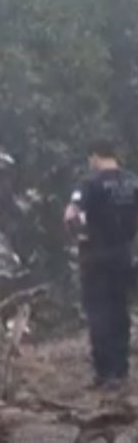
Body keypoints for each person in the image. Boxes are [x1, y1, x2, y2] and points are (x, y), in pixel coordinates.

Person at [64, 139, 138, 388]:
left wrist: (80, 236)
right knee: (120, 311)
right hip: (124, 255)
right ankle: (121, 369)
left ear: (95, 156)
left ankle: (105, 373)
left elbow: (71, 215)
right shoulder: (132, 181)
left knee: (99, 313)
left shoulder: (89, 183)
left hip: (95, 256)